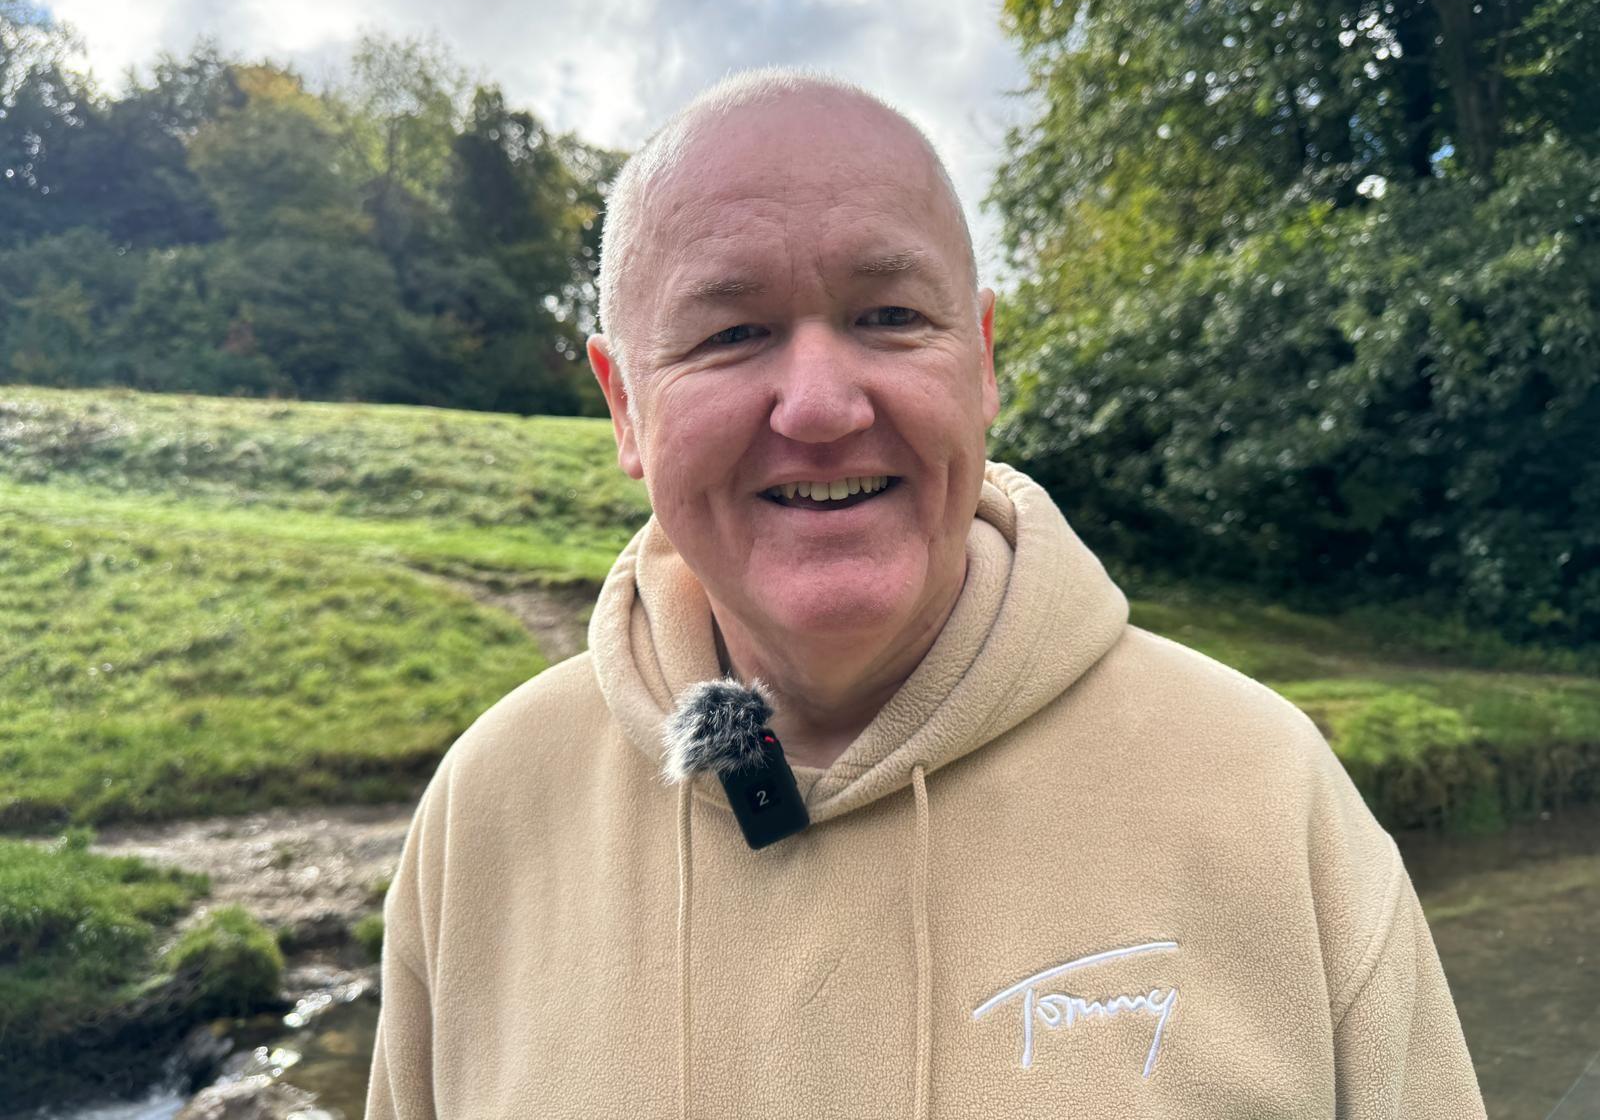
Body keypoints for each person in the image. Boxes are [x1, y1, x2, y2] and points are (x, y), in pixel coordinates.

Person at [365, 67, 1485, 1119]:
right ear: (624, 407)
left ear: (982, 358)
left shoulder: (1270, 797)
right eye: (730, 332)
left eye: (888, 317)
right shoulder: (485, 815)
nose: (817, 404)